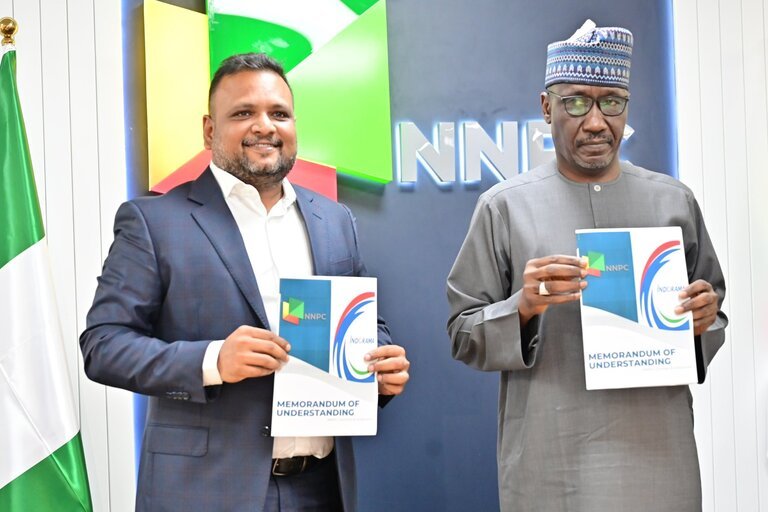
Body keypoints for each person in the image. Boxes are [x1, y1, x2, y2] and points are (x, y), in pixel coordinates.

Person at [80, 52, 409, 512]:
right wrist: (214, 360)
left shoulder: (334, 220)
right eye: (243, 113)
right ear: (210, 130)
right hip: (203, 491)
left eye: (279, 113)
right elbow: (104, 346)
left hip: (321, 490)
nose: (265, 126)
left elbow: (366, 324)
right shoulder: (154, 221)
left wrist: (378, 365)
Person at [446, 20, 727, 512]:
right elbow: (463, 333)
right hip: (548, 463)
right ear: (546, 107)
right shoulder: (504, 207)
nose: (595, 121)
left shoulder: (672, 202)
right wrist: (524, 306)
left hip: (659, 457)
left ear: (626, 108)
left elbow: (713, 318)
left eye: (611, 102)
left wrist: (704, 318)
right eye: (576, 102)